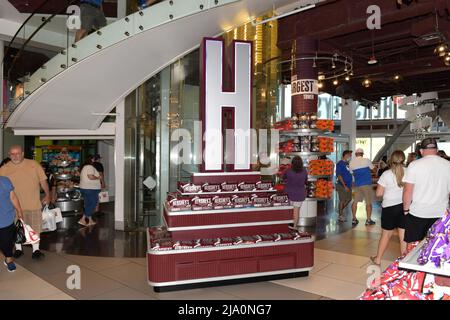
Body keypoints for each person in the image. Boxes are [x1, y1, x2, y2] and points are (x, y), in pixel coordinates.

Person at [0, 145, 50, 260]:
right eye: (12, 154)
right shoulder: (4, 169)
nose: (15, 156)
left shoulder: (33, 164)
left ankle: (36, 250)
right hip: (13, 207)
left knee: (35, 228)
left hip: (33, 204)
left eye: (17, 153)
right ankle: (18, 249)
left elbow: (43, 181)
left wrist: (48, 195)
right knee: (16, 229)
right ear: (9, 155)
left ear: (22, 153)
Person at [402, 138, 450, 243]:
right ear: (436, 150)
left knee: (413, 246)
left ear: (421, 151)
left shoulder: (414, 165)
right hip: (441, 213)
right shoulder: (448, 165)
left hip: (419, 212)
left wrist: (406, 210)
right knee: (437, 245)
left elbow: (408, 191)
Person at [370, 151, 407, 266]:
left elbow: (379, 194)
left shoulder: (386, 174)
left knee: (386, 235)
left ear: (391, 159)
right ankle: (404, 262)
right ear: (403, 159)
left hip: (389, 209)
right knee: (403, 237)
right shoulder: (409, 172)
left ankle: (378, 259)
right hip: (404, 207)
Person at [0, 175, 24, 272]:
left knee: (6, 240)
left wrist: (19, 211)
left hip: (5, 217)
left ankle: (9, 259)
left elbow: (13, 197)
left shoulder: (4, 181)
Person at [349, 148, 378, 227]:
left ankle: (354, 219)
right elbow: (374, 170)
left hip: (357, 185)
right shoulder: (366, 160)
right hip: (366, 185)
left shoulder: (351, 162)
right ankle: (368, 220)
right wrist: (374, 168)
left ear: (356, 154)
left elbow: (352, 173)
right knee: (368, 202)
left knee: (355, 202)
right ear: (362, 154)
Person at [283, 156, 307, 229]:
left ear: (292, 163)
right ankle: (295, 227)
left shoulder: (288, 171)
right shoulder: (304, 171)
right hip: (299, 194)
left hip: (289, 194)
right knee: (296, 211)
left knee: (288, 211)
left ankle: (287, 226)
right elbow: (305, 182)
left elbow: (284, 179)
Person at [79, 156, 102, 226]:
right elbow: (90, 176)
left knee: (88, 204)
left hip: (86, 188)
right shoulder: (89, 167)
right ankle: (82, 219)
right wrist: (98, 177)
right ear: (92, 160)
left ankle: (90, 220)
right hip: (91, 188)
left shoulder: (85, 167)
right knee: (93, 203)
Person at [335, 150, 353, 222]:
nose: (350, 157)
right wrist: (344, 185)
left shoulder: (347, 163)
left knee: (349, 199)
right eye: (349, 155)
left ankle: (340, 210)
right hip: (342, 185)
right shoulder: (340, 163)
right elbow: (339, 175)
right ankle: (340, 215)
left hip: (348, 185)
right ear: (345, 155)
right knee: (342, 200)